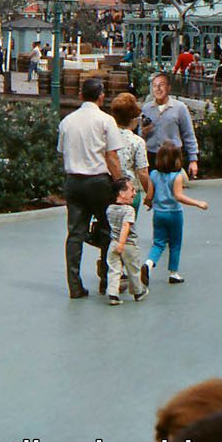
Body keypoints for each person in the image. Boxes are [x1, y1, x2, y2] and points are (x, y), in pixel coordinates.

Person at [59, 78, 124, 299]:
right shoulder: (106, 120)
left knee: (75, 233)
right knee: (106, 229)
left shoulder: (67, 121)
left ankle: (74, 285)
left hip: (73, 181)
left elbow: (62, 151)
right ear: (101, 96)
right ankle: (107, 280)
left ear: (80, 95)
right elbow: (112, 156)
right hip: (98, 181)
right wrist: (120, 182)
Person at [144, 141, 209, 285]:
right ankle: (173, 273)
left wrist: (149, 204)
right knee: (175, 244)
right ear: (177, 159)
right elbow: (178, 196)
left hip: (158, 213)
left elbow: (149, 196)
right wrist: (198, 203)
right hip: (174, 213)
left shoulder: (153, 174)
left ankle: (148, 263)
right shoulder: (177, 176)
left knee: (158, 243)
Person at [140, 72, 200, 179]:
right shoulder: (146, 108)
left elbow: (188, 134)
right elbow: (139, 135)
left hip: (173, 156)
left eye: (161, 85)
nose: (158, 89)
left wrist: (193, 160)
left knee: (174, 186)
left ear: (168, 87)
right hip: (152, 156)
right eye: (155, 86)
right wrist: (144, 132)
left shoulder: (180, 108)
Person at [105, 177, 148, 306]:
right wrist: (122, 244)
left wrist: (117, 243)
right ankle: (138, 291)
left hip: (113, 243)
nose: (134, 193)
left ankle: (113, 293)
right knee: (133, 269)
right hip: (128, 245)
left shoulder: (110, 209)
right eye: (131, 190)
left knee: (114, 269)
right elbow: (125, 226)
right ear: (122, 193)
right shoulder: (129, 210)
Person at [110, 93, 152, 215]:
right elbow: (142, 172)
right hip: (130, 190)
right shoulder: (137, 142)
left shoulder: (106, 137)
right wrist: (149, 195)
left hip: (109, 189)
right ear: (133, 119)